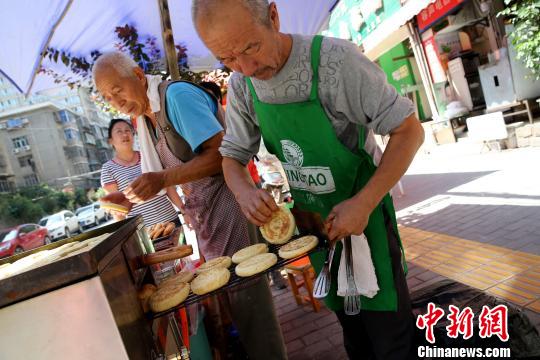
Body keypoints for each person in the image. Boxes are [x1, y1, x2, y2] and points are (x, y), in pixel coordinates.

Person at [192, 1, 425, 359]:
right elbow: (232, 158)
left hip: (367, 223)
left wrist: (362, 203)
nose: (246, 67)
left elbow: (408, 131)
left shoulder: (335, 62)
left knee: (392, 340)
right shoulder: (241, 87)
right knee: (354, 335)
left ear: (273, 16)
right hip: (318, 230)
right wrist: (243, 191)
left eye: (251, 47)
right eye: (228, 58)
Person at [92, 52, 287, 360]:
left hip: (231, 207)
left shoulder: (177, 98)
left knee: (252, 307)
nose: (115, 100)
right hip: (206, 217)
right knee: (236, 308)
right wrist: (129, 196)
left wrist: (162, 178)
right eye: (107, 97)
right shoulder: (146, 119)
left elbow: (222, 154)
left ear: (139, 76)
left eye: (118, 89)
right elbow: (161, 175)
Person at [100, 118, 181, 227]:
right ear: (110, 140)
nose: (124, 134)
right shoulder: (108, 169)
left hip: (171, 221)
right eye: (119, 131)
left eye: (127, 130)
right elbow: (117, 209)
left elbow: (168, 187)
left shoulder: (149, 155)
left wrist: (183, 210)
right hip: (144, 230)